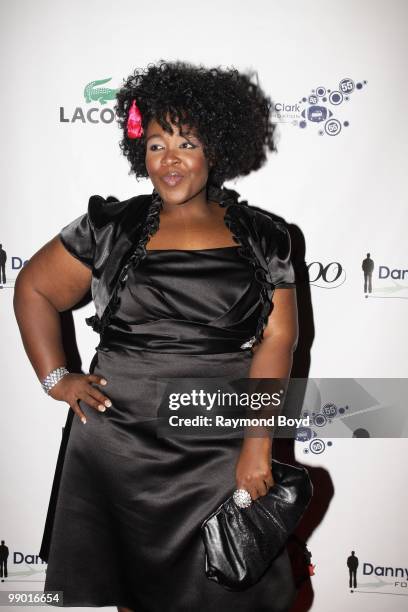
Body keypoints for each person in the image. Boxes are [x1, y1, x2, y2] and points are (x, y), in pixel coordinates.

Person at [13, 60, 299, 611]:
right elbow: (33, 290)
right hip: (120, 439)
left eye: (186, 143)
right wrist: (56, 378)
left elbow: (277, 342)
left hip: (220, 435)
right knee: (135, 589)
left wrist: (257, 446)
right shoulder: (110, 227)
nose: (169, 159)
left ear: (214, 150)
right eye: (156, 144)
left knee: (231, 589)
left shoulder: (266, 236)